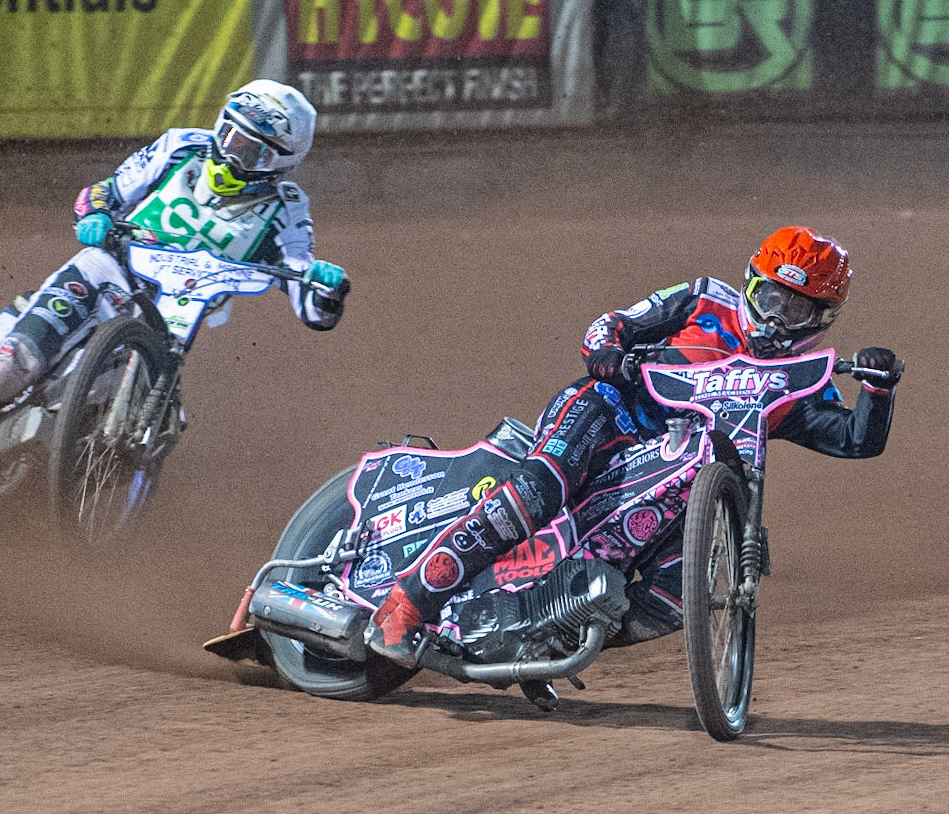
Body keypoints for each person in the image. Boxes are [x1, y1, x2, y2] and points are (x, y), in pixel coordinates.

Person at [365, 225, 901, 667]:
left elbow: (856, 440)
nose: (779, 318)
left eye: (799, 310)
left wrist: (878, 387)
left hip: (682, 482)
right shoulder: (701, 299)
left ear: (823, 321)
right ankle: (408, 601)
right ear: (751, 284)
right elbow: (611, 325)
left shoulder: (798, 379)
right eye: (772, 298)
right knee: (540, 488)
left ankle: (546, 635)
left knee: (679, 594)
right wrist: (606, 355)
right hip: (609, 414)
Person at [0, 79, 349, 486]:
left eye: (251, 150)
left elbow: (306, 290)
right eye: (229, 134)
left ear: (278, 164)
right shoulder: (180, 149)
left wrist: (326, 285)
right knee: (12, 366)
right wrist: (95, 215)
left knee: (108, 404)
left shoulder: (286, 211)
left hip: (169, 320)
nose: (230, 153)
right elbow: (102, 193)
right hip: (105, 274)